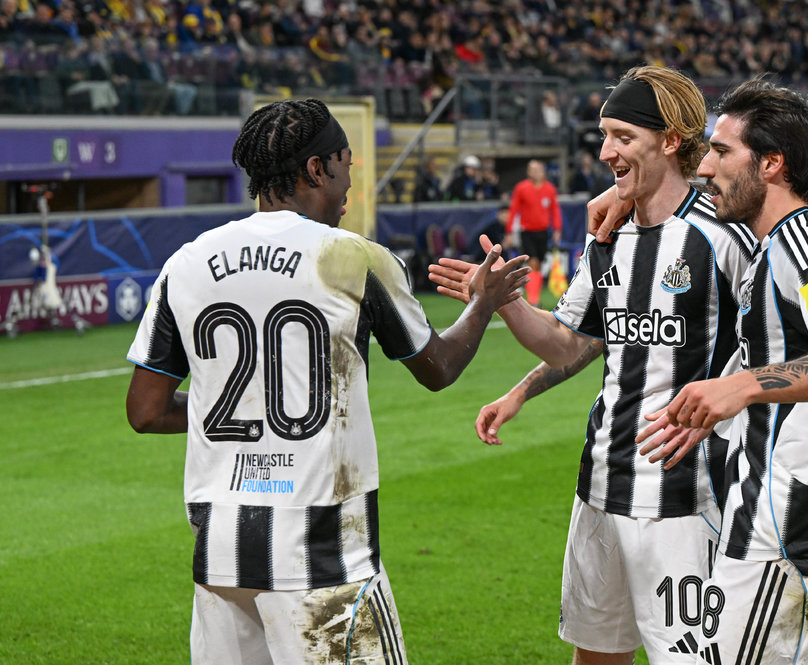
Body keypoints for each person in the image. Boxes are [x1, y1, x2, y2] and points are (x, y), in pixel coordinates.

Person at [123, 98, 529, 665]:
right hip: (324, 555)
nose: (348, 185)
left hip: (220, 552)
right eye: (345, 166)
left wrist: (249, 415)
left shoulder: (185, 263)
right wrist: (483, 303)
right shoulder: (355, 258)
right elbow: (438, 368)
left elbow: (144, 411)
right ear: (316, 169)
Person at [431, 64, 758, 665]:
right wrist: (502, 301)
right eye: (604, 136)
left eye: (623, 137)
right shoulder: (608, 235)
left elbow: (779, 346)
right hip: (600, 488)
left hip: (685, 501)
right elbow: (567, 343)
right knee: (596, 656)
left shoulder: (725, 236)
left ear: (671, 141)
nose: (606, 152)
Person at [633, 78, 808, 665]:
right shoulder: (775, 244)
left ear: (771, 164)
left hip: (789, 519)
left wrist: (741, 388)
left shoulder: (804, 246)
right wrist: (624, 195)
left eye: (721, 152)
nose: (704, 167)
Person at [506, 158, 562, 306]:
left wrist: (557, 229)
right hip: (527, 232)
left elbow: (554, 210)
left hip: (543, 232)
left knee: (539, 265)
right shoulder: (521, 188)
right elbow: (514, 209)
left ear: (543, 172)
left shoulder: (550, 189)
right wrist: (509, 231)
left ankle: (534, 296)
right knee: (533, 262)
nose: (535, 172)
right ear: (528, 172)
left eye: (538, 169)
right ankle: (533, 299)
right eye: (532, 170)